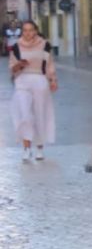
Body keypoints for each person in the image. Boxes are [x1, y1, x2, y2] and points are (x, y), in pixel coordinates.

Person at [9, 20, 58, 162]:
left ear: (35, 31)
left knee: (39, 115)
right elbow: (12, 68)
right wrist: (19, 64)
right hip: (22, 81)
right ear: (22, 31)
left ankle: (39, 148)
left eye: (31, 30)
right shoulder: (16, 47)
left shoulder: (44, 45)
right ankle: (26, 149)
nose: (28, 33)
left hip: (40, 81)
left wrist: (53, 80)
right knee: (25, 115)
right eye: (25, 30)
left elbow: (49, 65)